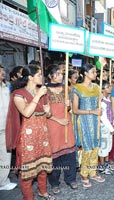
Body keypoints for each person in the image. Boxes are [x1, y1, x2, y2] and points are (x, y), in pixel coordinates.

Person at [6, 64, 54, 200]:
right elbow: (26, 113)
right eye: (39, 75)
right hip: (28, 136)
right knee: (28, 170)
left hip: (43, 133)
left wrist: (48, 111)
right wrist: (38, 95)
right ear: (30, 77)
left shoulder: (43, 92)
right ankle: (28, 197)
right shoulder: (18, 94)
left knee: (43, 166)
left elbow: (48, 114)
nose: (42, 77)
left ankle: (42, 190)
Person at [46, 65, 78, 194]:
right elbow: (44, 112)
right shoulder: (44, 90)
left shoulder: (65, 88)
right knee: (55, 155)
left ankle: (71, 179)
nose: (60, 76)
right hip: (52, 125)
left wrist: (68, 105)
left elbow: (69, 109)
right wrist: (58, 120)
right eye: (57, 73)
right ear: (50, 75)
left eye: (61, 74)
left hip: (67, 123)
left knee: (70, 153)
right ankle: (54, 182)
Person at [72, 64, 105, 188]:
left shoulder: (97, 87)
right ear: (85, 73)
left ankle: (92, 171)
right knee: (86, 148)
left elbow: (98, 106)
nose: (95, 74)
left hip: (95, 121)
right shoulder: (77, 88)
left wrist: (100, 99)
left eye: (96, 72)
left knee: (95, 146)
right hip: (84, 121)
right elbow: (75, 110)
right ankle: (84, 174)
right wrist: (92, 112)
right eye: (93, 71)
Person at [0, 65, 17, 191]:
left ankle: (3, 181)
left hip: (5, 126)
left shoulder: (6, 87)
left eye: (2, 70)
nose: (2, 72)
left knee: (5, 155)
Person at [98, 80, 114, 174]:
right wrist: (111, 128)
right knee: (103, 147)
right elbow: (103, 117)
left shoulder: (108, 99)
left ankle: (106, 162)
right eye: (108, 87)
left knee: (108, 146)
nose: (110, 88)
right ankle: (102, 166)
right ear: (103, 89)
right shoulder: (101, 101)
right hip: (104, 126)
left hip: (109, 126)